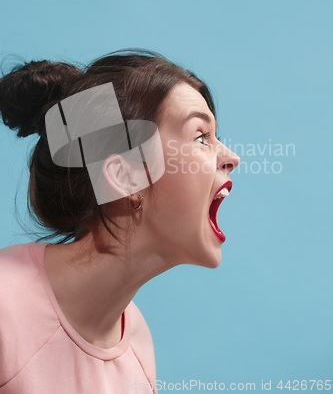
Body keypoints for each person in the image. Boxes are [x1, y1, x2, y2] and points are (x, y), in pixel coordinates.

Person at [0, 49, 240, 393]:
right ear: (126, 174)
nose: (232, 157)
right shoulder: (4, 305)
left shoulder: (137, 343)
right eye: (201, 137)